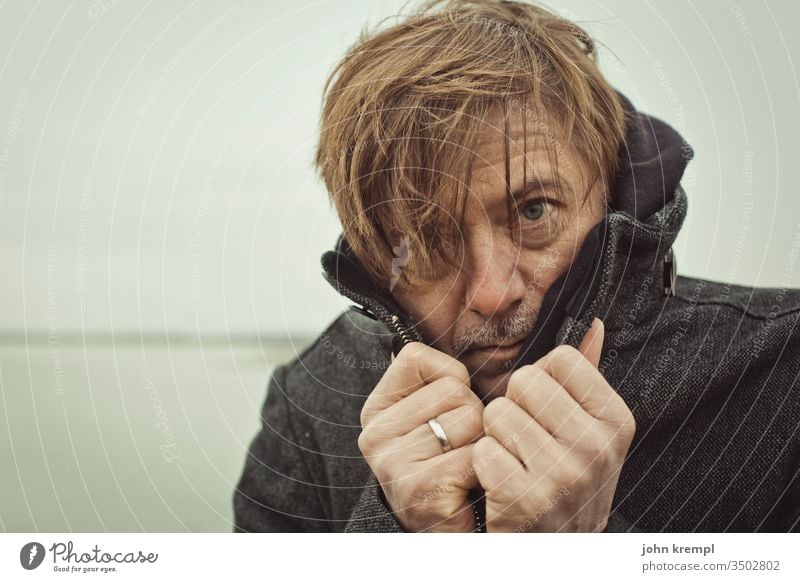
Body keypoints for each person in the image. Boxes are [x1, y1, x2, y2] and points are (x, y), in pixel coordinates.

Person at [233, 0, 800, 532]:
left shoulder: (780, 375)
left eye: (534, 211)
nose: (492, 292)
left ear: (608, 191)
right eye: (425, 236)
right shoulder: (312, 402)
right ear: (374, 257)